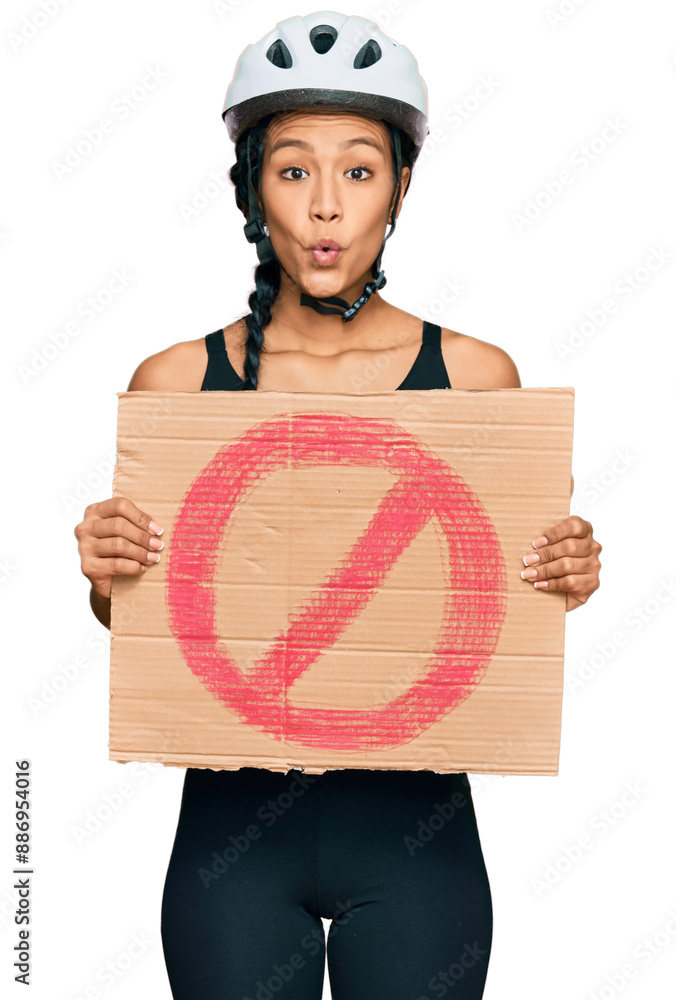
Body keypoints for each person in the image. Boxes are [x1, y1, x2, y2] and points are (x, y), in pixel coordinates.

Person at [74, 12, 602, 998]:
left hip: (416, 837)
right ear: (249, 189)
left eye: (358, 171)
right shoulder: (176, 383)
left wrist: (567, 571)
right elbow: (140, 627)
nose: (325, 208)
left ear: (400, 186)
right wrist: (108, 575)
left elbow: (508, 606)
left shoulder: (477, 379)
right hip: (232, 843)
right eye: (291, 170)